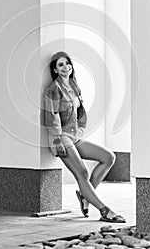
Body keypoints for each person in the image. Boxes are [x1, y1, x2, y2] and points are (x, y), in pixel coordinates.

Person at [42, 51, 126, 223]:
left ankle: (85, 196)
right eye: (61, 65)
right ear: (55, 70)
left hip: (74, 136)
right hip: (60, 137)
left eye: (67, 63)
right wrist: (57, 140)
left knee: (108, 157)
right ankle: (105, 211)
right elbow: (52, 116)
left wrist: (80, 131)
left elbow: (81, 113)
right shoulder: (52, 90)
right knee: (82, 172)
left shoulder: (74, 85)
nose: (66, 67)